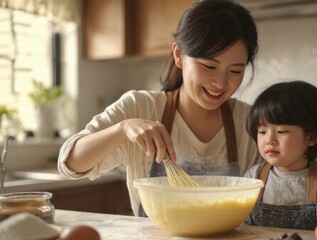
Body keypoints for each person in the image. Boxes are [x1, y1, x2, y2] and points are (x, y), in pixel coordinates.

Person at [57, 0, 261, 217]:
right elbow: (70, 164)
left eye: (236, 71)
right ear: (179, 55)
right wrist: (122, 129)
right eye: (209, 66)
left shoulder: (251, 122)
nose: (221, 83)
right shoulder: (139, 107)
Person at [244, 81, 317, 230]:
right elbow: (241, 228)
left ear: (311, 138)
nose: (269, 140)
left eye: (281, 131)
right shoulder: (253, 178)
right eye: (262, 131)